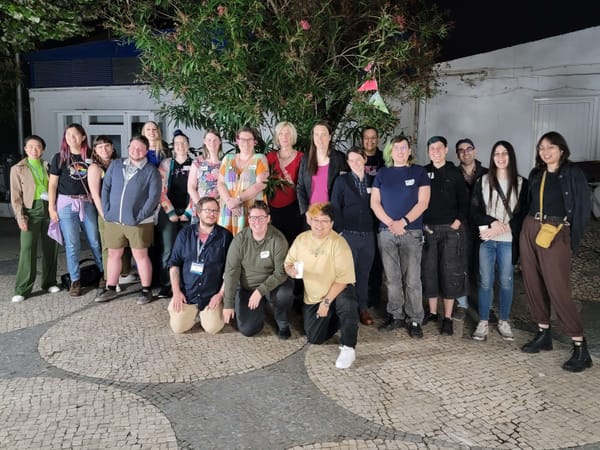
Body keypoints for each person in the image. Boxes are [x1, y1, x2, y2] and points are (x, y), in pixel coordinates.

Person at [520, 131, 592, 372]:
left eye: (550, 147)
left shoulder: (573, 174)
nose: (545, 151)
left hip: (555, 231)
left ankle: (580, 346)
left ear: (562, 149)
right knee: (533, 283)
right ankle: (544, 333)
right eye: (541, 147)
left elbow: (582, 209)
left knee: (557, 288)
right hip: (531, 227)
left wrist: (571, 240)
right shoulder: (536, 174)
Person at [285, 202, 358, 369]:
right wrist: (291, 270)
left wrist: (326, 302)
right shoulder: (301, 239)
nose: (319, 225)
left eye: (325, 221)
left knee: (347, 304)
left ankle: (348, 346)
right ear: (310, 221)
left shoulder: (339, 243)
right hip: (313, 296)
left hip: (337, 290)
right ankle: (339, 318)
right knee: (315, 338)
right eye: (316, 220)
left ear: (332, 223)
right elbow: (288, 263)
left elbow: (343, 280)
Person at [370, 135, 430, 338]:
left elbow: (423, 203)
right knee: (392, 278)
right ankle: (395, 315)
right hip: (387, 232)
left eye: (404, 147)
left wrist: (402, 222)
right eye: (396, 148)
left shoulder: (419, 172)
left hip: (411, 232)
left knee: (413, 278)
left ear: (409, 151)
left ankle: (415, 319)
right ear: (390, 151)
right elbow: (374, 203)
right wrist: (390, 223)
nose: (400, 151)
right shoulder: (382, 174)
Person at [470, 141, 528, 341]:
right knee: (485, 281)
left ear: (510, 156)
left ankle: (504, 320)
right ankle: (483, 321)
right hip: (487, 240)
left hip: (508, 241)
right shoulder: (483, 181)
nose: (501, 157)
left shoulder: (522, 183)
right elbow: (474, 211)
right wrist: (493, 223)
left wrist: (507, 227)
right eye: (497, 153)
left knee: (506, 281)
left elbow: (524, 213)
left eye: (505, 153)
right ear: (492, 157)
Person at [95, 136, 162, 305]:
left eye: (140, 148)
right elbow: (106, 187)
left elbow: (153, 197)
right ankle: (111, 287)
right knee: (113, 254)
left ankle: (146, 290)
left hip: (139, 223)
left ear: (146, 151)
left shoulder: (151, 171)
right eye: (132, 147)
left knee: (140, 255)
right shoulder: (116, 165)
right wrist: (107, 210)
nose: (135, 151)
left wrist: (139, 217)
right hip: (114, 220)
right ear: (128, 147)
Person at [222, 201, 294, 338]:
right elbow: (231, 273)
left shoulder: (278, 239)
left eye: (261, 217)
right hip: (247, 287)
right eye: (253, 218)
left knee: (284, 294)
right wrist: (228, 304)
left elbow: (281, 272)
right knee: (248, 329)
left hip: (272, 285)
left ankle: (282, 321)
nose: (257, 221)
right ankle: (259, 309)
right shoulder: (239, 240)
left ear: (268, 218)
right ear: (248, 220)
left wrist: (260, 291)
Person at [421, 136, 470, 336]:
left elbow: (465, 201)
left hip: (451, 231)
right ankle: (432, 313)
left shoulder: (455, 173)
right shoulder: (423, 173)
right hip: (429, 230)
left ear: (446, 149)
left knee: (450, 273)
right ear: (428, 152)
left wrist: (457, 222)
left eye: (439, 147)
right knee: (430, 271)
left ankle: (447, 317)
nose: (436, 151)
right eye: (432, 148)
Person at [48, 124, 103, 297]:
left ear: (83, 137)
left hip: (87, 202)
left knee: (95, 240)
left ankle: (104, 273)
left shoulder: (92, 157)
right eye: (68, 134)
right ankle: (75, 280)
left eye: (76, 134)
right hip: (66, 205)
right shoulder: (59, 158)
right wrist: (51, 207)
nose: (72, 137)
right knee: (72, 244)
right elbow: (53, 184)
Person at [167, 196, 233, 334]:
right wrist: (177, 292)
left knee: (212, 328)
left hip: (212, 295)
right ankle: (184, 309)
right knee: (178, 328)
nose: (212, 214)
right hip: (188, 294)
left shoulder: (225, 236)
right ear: (198, 212)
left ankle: (207, 313)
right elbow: (174, 264)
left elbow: (231, 269)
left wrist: (220, 295)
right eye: (208, 210)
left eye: (215, 211)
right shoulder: (185, 234)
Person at [10, 135, 60, 303]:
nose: (34, 149)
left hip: (49, 208)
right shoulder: (18, 169)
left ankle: (49, 282)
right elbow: (16, 196)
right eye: (30, 146)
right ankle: (22, 288)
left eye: (38, 146)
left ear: (43, 149)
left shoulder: (48, 166)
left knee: (51, 247)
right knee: (27, 249)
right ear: (25, 149)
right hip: (31, 210)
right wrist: (20, 216)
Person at [330, 147, 376, 326]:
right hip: (347, 234)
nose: (356, 163)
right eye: (352, 160)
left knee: (364, 274)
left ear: (365, 159)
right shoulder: (342, 181)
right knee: (345, 275)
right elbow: (334, 206)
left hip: (368, 235)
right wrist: (340, 232)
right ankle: (345, 309)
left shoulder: (374, 180)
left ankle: (362, 308)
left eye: (359, 159)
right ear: (347, 163)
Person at [88, 135, 135, 294]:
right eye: (100, 147)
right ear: (95, 150)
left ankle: (123, 273)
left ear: (112, 147)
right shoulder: (95, 168)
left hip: (122, 212)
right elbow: (95, 194)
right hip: (107, 213)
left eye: (107, 146)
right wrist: (104, 215)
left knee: (124, 244)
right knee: (109, 247)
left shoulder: (119, 163)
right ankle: (110, 280)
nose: (104, 150)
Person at [156, 130, 194, 298]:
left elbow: (198, 189)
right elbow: (160, 189)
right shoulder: (165, 164)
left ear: (188, 145)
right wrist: (170, 212)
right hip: (168, 212)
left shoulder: (196, 164)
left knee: (188, 250)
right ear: (173, 146)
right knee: (168, 250)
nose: (180, 146)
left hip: (189, 213)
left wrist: (188, 212)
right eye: (177, 143)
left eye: (183, 143)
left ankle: (185, 284)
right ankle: (166, 285)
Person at [455, 138, 489, 315]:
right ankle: (462, 304)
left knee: (484, 269)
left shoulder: (487, 174)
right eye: (461, 150)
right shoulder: (453, 173)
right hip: (461, 227)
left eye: (469, 149)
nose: (465, 153)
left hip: (483, 228)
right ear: (457, 154)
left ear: (475, 151)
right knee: (461, 266)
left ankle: (485, 306)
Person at [217, 127, 269, 235]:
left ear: (255, 142)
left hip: (251, 210)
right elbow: (220, 183)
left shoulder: (260, 158)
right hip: (229, 209)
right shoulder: (227, 159)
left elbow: (261, 184)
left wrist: (238, 200)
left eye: (249, 139)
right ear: (237, 141)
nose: (246, 143)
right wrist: (229, 202)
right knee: (225, 242)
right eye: (242, 139)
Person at [296, 121, 348, 220]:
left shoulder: (339, 158)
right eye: (317, 134)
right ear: (313, 138)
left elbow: (345, 187)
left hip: (332, 214)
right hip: (312, 214)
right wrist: (306, 212)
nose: (320, 138)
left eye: (323, 134)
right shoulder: (306, 159)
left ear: (329, 137)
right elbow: (300, 187)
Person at [265, 121, 303, 244]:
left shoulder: (301, 158)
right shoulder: (269, 157)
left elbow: (306, 188)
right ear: (277, 137)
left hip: (293, 209)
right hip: (272, 209)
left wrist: (292, 183)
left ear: (293, 136)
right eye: (281, 134)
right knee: (274, 244)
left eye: (287, 134)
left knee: (293, 243)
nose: (284, 137)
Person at [360, 126, 385, 306]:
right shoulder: (354, 158)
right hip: (360, 213)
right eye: (366, 138)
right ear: (362, 140)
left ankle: (375, 295)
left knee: (376, 256)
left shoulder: (384, 159)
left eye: (373, 137)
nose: (370, 141)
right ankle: (360, 295)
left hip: (380, 214)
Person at [188, 128, 222, 207]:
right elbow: (191, 187)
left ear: (220, 141)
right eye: (209, 140)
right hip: (201, 206)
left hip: (219, 206)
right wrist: (200, 205)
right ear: (204, 141)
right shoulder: (198, 162)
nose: (212, 143)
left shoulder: (225, 162)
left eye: (215, 140)